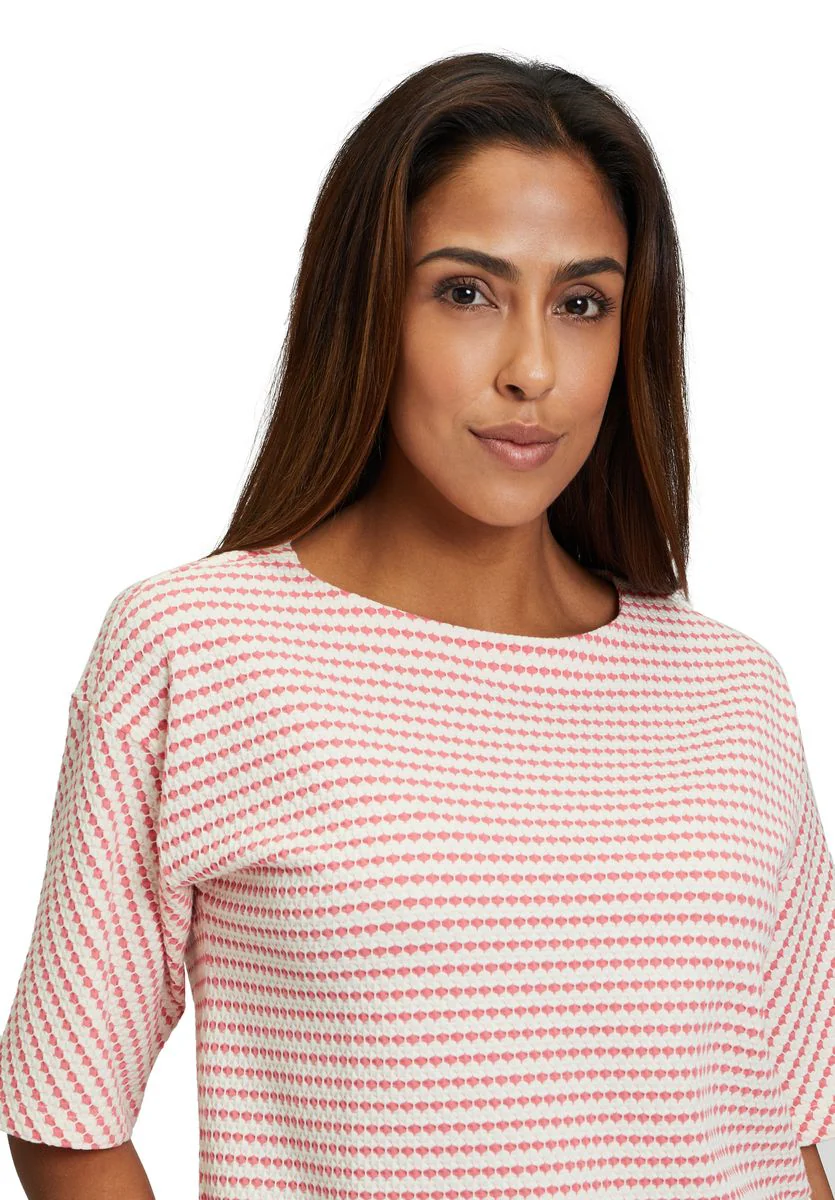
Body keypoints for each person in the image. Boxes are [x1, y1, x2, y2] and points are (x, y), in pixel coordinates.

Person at [1, 49, 833, 1200]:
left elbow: (786, 1127)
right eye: (466, 293)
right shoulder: (198, 649)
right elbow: (63, 1110)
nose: (532, 369)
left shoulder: (734, 692)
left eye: (581, 303)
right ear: (367, 309)